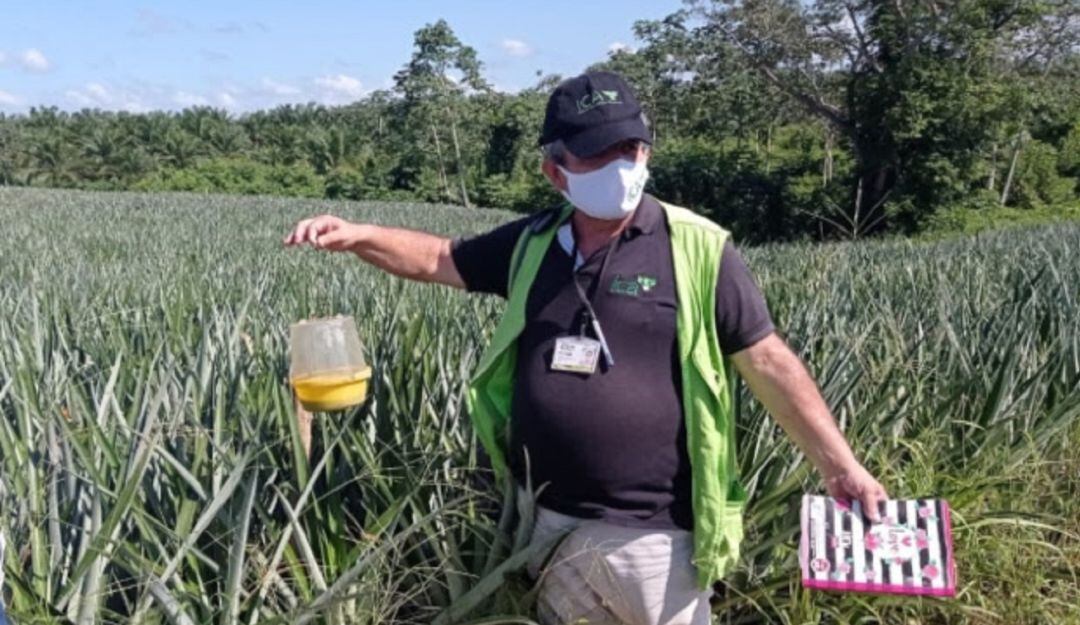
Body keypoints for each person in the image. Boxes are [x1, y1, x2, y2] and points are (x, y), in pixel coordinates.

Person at [284, 71, 887, 625]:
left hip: (653, 536)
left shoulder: (697, 248)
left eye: (631, 148)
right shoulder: (534, 243)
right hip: (545, 521)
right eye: (598, 152)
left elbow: (767, 360)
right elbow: (441, 258)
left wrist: (841, 466)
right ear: (556, 171)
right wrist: (358, 235)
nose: (620, 164)